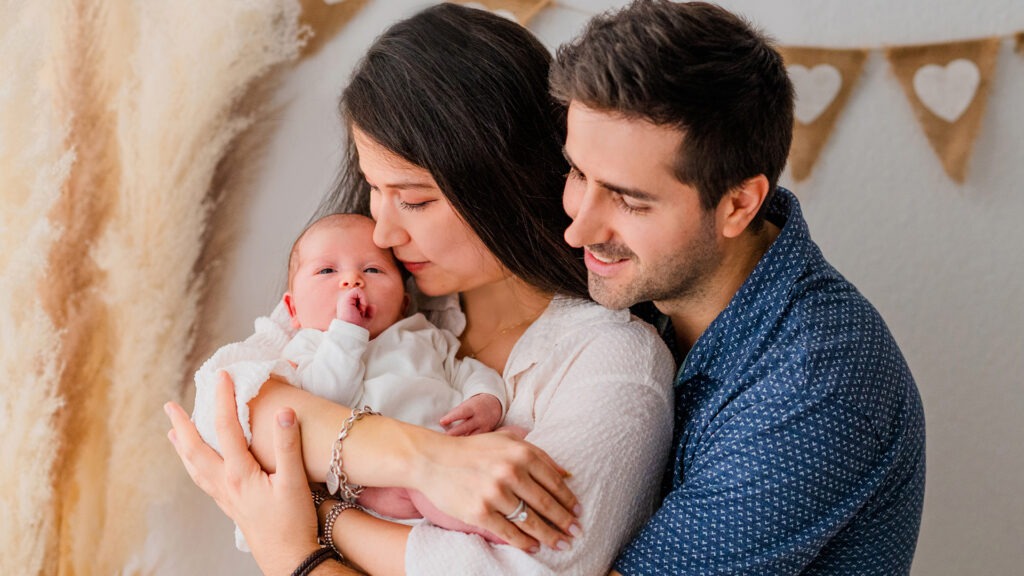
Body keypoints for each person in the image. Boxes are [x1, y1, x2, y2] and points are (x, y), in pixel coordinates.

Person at [166, 4, 674, 576]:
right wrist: (426, 459)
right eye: (374, 189)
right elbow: (225, 400)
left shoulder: (612, 362)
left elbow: (517, 569)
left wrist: (309, 524)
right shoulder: (386, 290)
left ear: (505, 178)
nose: (383, 231)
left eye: (413, 199)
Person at [547, 1, 926, 574]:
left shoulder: (818, 384)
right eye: (578, 174)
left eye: (629, 199)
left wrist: (352, 517)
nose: (579, 228)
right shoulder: (640, 284)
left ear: (738, 204)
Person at [191, 213, 510, 550]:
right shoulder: (308, 349)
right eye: (327, 271)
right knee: (429, 492)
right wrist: (347, 332)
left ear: (404, 302)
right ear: (293, 309)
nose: (352, 280)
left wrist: (487, 398)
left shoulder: (422, 334)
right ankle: (490, 538)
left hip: (456, 445)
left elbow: (467, 371)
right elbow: (327, 400)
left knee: (512, 440)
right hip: (385, 481)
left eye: (372, 270)